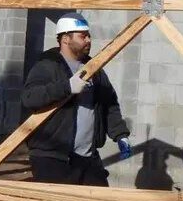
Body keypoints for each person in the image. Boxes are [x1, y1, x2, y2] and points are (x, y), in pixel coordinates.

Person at [21, 12, 132, 185]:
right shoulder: (48, 65)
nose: (88, 40)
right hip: (53, 157)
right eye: (83, 36)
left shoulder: (95, 69)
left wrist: (120, 134)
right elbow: (30, 98)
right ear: (65, 39)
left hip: (87, 157)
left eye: (89, 36)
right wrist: (67, 87)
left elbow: (109, 104)